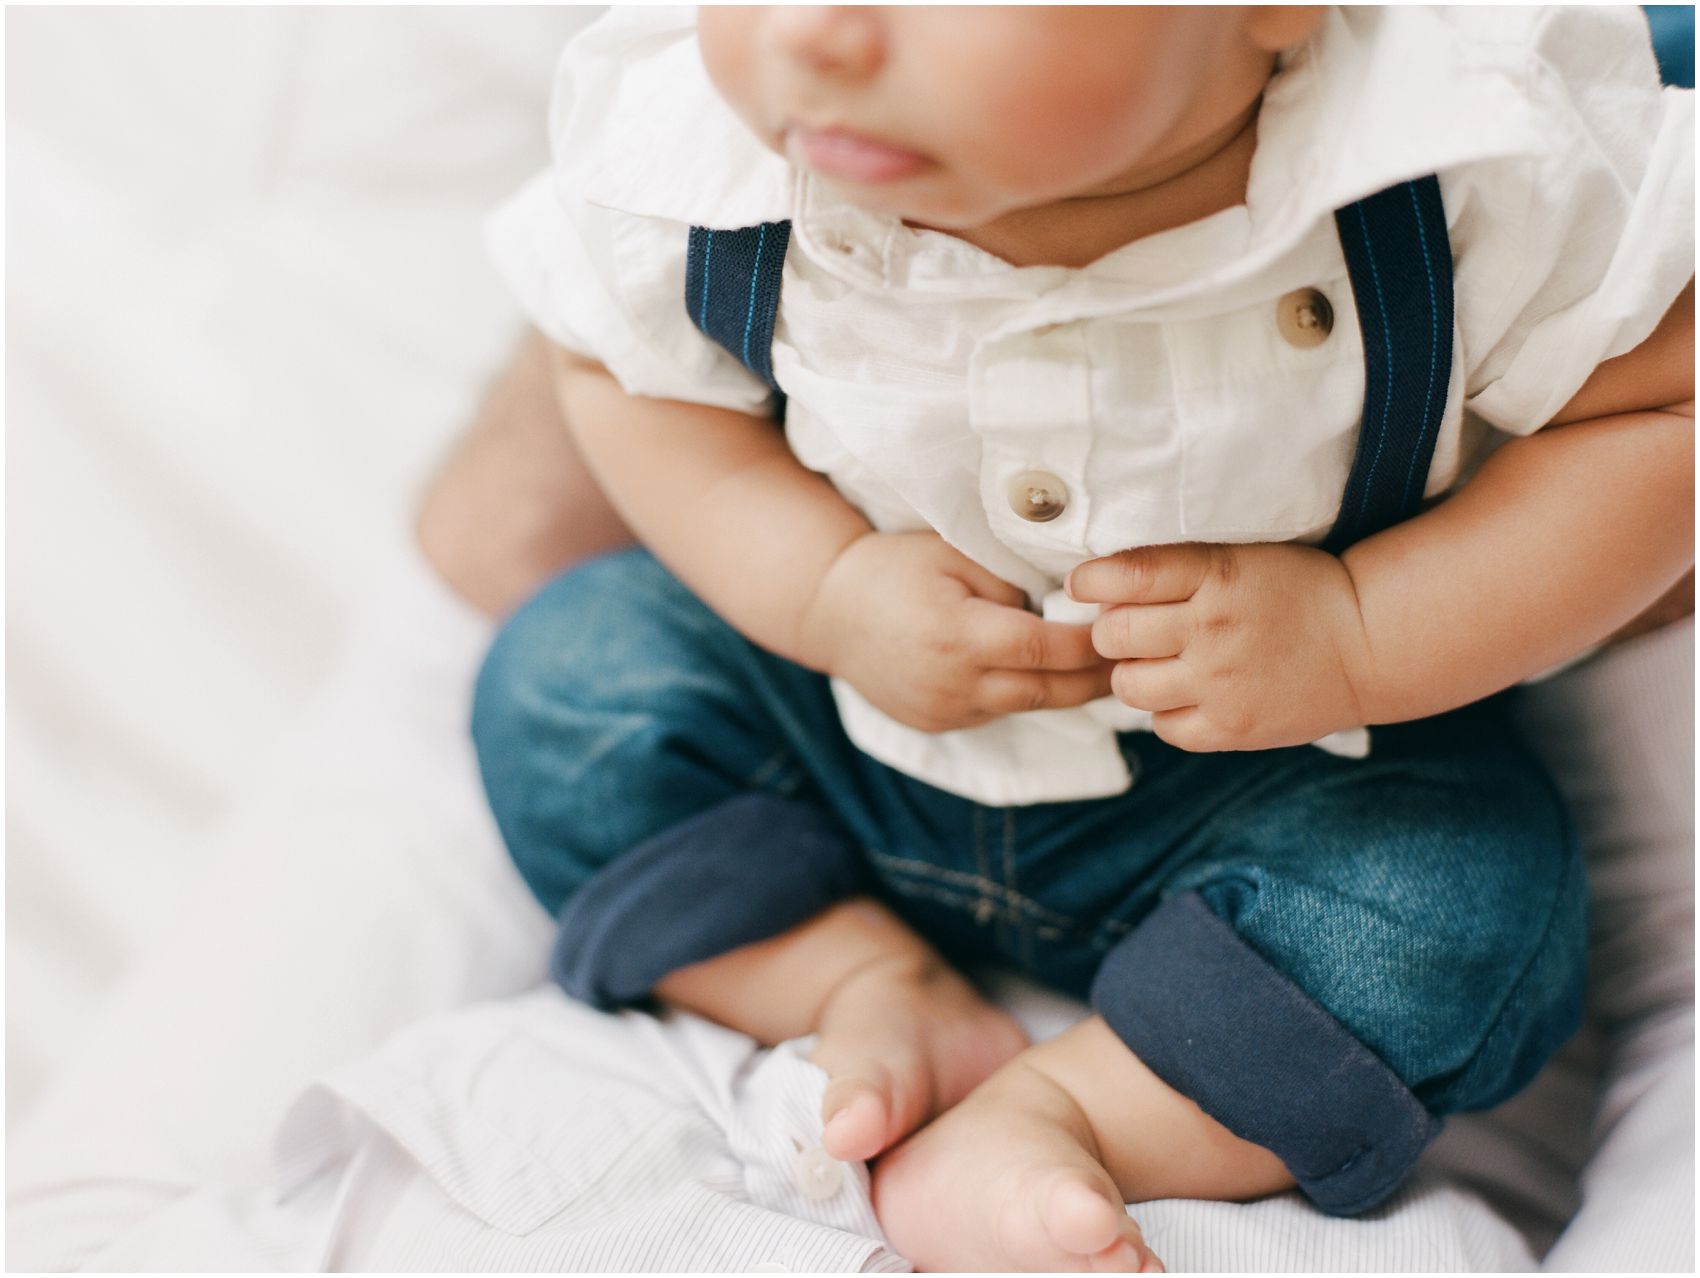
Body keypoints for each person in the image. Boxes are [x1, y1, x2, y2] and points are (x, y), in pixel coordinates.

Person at [464, 7, 1694, 1272]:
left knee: (1467, 907)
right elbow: (620, 375)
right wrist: (824, 592)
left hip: (1277, 783)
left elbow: (1656, 415)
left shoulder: (1473, 148)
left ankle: (1071, 1111)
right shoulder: (697, 151)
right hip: (834, 728)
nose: (813, 34)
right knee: (566, 684)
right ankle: (850, 980)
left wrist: (1356, 633)